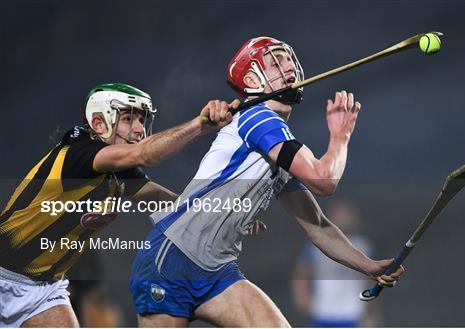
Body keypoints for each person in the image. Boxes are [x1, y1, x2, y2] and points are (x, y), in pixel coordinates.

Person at [130, 37, 404, 327]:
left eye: (287, 58)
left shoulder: (277, 142)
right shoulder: (258, 118)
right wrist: (340, 138)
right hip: (172, 259)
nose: (288, 65)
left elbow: (318, 226)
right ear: (251, 79)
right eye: (275, 61)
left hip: (216, 270)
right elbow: (324, 181)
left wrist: (369, 266)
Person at [0, 83, 239, 327]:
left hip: (44, 288)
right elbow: (146, 155)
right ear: (99, 123)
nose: (138, 129)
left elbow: (171, 203)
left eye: (142, 120)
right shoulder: (79, 154)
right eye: (128, 119)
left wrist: (218, 213)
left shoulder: (119, 172)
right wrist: (198, 126)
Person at [292, 200, 382, 327]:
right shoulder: (317, 245)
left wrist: (371, 312)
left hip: (352, 312)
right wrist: (302, 298)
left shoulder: (362, 246)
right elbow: (302, 273)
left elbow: (369, 281)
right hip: (323, 311)